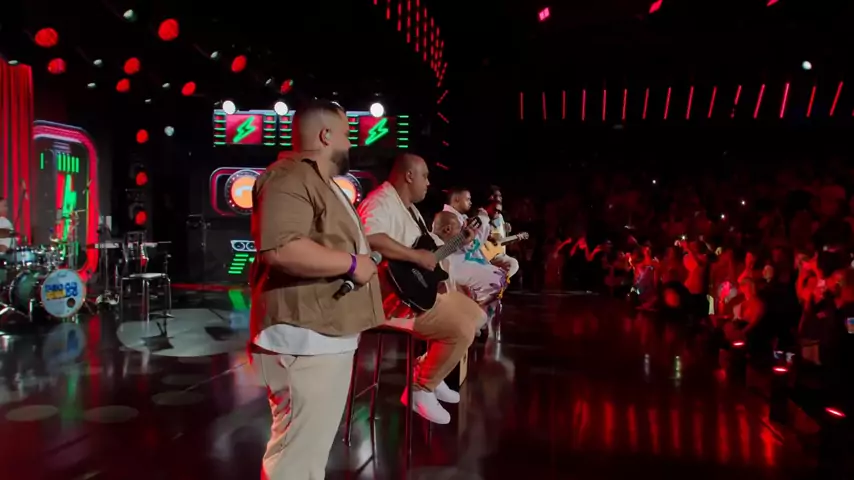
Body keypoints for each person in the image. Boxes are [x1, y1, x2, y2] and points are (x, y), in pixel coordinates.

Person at [249, 100, 384, 480]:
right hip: (306, 340)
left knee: (304, 458)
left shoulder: (316, 181)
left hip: (320, 337)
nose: (350, 143)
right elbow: (282, 248)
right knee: (296, 463)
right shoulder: (289, 177)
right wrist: (353, 264)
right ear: (326, 135)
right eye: (346, 134)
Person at [358, 154, 484, 425]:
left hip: (413, 295)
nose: (428, 183)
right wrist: (414, 256)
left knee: (477, 317)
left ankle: (429, 370)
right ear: (409, 175)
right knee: (461, 330)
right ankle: (420, 388)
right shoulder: (379, 202)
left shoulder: (411, 211)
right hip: (389, 302)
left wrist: (459, 242)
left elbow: (429, 256)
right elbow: (369, 237)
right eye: (425, 176)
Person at [432, 211, 506, 327]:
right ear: (447, 229)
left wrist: (467, 238)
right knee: (497, 279)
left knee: (499, 277)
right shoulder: (436, 247)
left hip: (460, 279)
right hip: (449, 290)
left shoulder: (447, 245)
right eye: (460, 230)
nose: (461, 232)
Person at [485, 186, 520, 278]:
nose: (499, 198)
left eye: (500, 196)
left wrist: (506, 230)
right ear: (490, 197)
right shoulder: (483, 217)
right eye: (497, 196)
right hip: (488, 257)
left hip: (500, 254)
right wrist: (517, 237)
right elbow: (497, 239)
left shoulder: (500, 217)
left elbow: (502, 237)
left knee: (513, 265)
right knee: (513, 263)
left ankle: (498, 282)